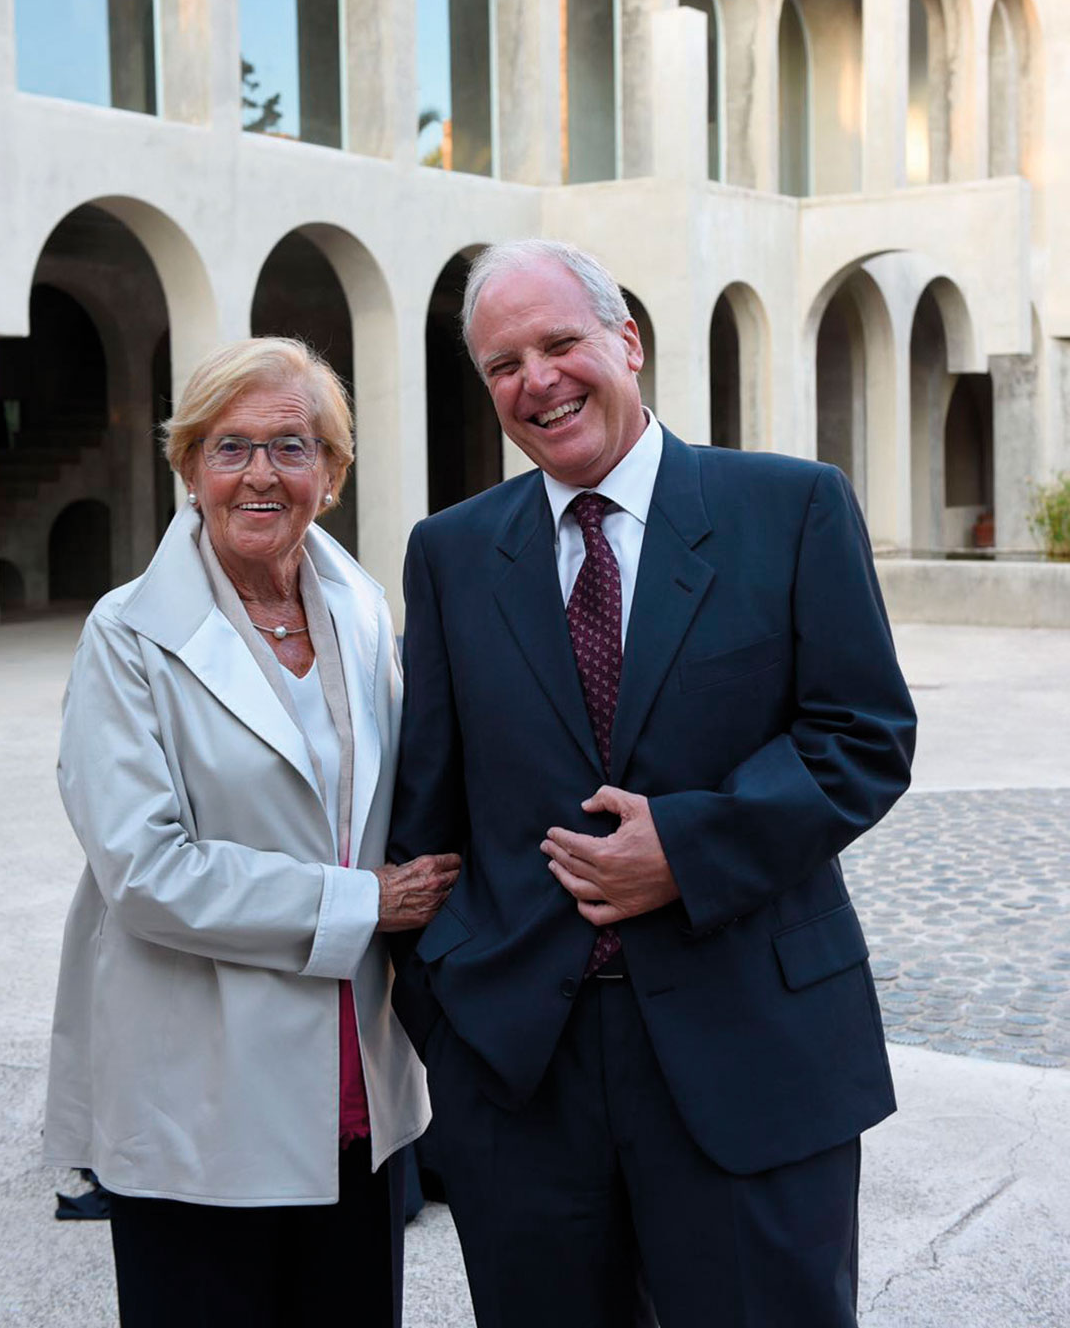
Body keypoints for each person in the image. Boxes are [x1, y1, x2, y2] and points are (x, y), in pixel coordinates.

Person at [387, 240, 917, 1327]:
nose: (535, 380)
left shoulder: (792, 508)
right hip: (524, 1074)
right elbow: (426, 807)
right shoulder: (449, 553)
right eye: (502, 363)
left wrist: (689, 847)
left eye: (560, 342)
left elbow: (863, 735)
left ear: (626, 341)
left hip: (752, 1050)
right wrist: (448, 1004)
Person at [43, 338, 459, 1327]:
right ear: (189, 466)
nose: (261, 473)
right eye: (231, 447)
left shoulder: (359, 609)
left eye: (291, 445)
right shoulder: (129, 633)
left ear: (334, 472)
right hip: (202, 1094)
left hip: (352, 1092)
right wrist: (362, 903)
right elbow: (145, 869)